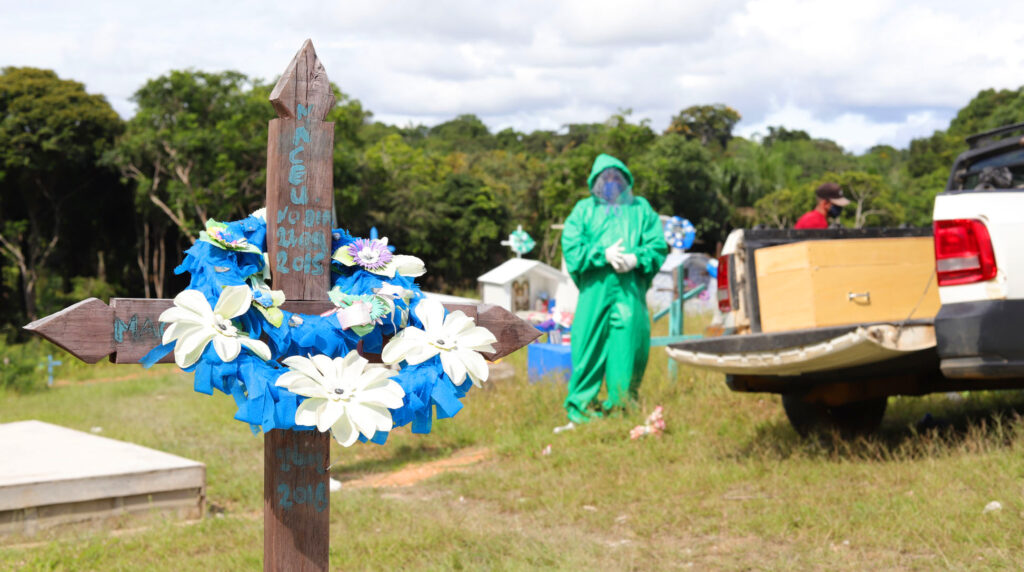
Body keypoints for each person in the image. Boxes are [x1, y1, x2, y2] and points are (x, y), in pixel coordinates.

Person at [557, 154, 668, 431]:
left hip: (629, 292)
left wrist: (637, 258)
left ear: (626, 179)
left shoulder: (641, 209)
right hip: (595, 292)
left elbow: (657, 245)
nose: (610, 183)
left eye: (616, 177)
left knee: (628, 347)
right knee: (587, 346)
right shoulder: (583, 210)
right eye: (604, 177)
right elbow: (571, 245)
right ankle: (582, 408)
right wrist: (600, 254)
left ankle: (622, 407)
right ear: (594, 181)